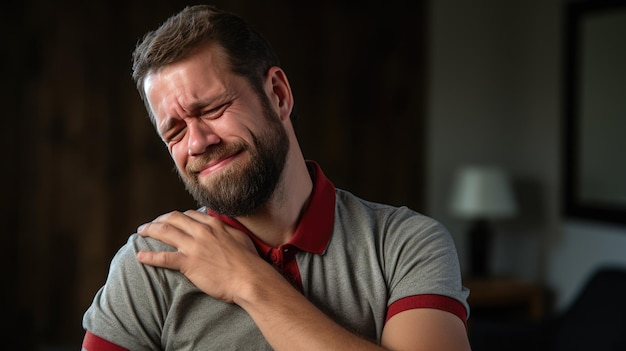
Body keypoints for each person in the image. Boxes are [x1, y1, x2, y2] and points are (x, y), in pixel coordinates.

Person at [81, 4, 471, 351]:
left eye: (214, 109)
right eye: (175, 132)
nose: (197, 142)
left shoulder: (406, 244)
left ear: (279, 95)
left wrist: (249, 282)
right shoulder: (149, 263)